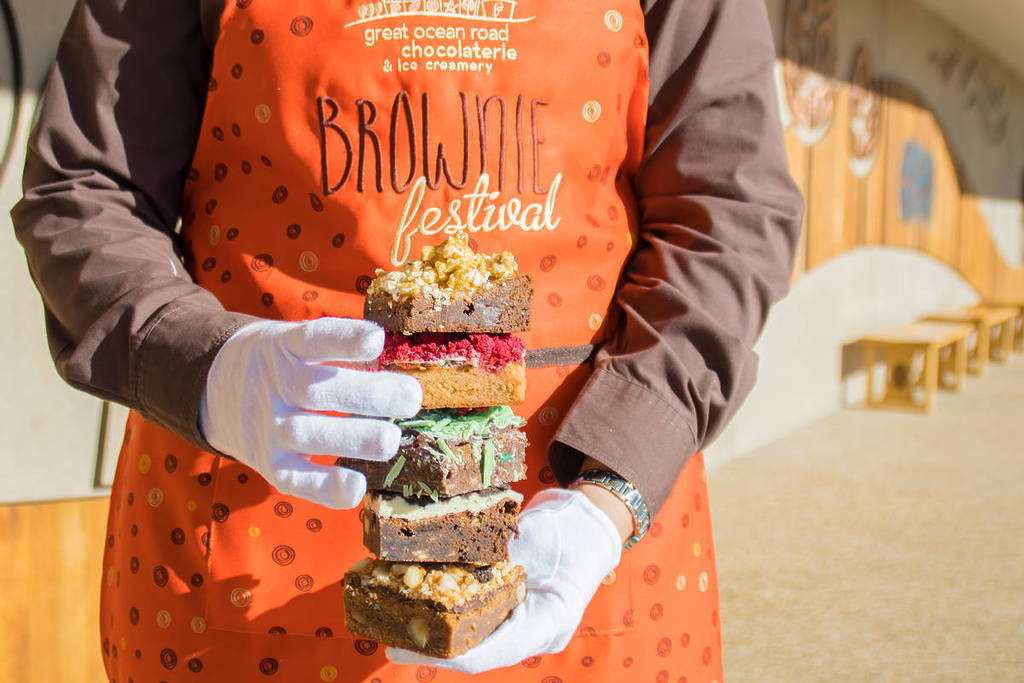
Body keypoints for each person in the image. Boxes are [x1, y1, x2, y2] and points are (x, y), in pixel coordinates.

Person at [11, 0, 802, 680]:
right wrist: (204, 365)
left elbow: (728, 217)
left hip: (586, 550)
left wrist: (608, 498)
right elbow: (85, 191)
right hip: (246, 552)